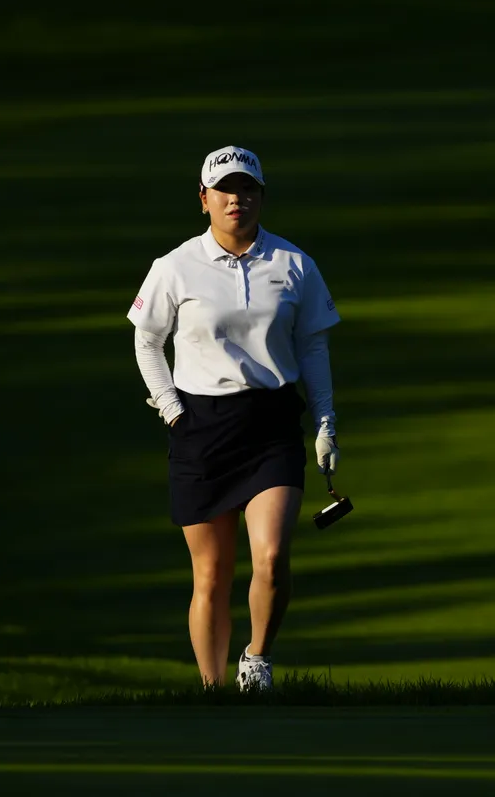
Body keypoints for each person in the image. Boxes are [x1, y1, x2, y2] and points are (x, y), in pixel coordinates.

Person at [127, 145, 340, 692]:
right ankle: (213, 692)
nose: (236, 199)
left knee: (271, 556)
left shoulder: (294, 264)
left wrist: (325, 423)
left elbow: (313, 348)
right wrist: (172, 409)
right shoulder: (174, 267)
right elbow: (147, 341)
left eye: (247, 189)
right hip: (200, 424)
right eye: (224, 190)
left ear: (261, 196)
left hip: (271, 424)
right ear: (203, 199)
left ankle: (257, 659)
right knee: (212, 574)